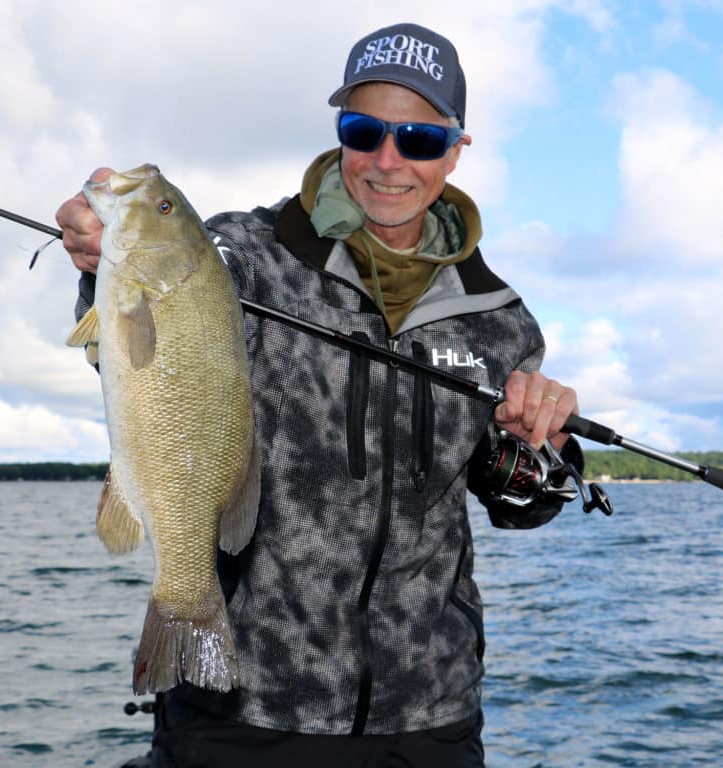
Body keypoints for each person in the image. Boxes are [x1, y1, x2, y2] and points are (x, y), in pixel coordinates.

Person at [58, 22, 583, 768]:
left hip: (427, 717)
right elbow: (152, 357)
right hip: (243, 706)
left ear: (457, 149)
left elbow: (516, 502)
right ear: (339, 131)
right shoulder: (243, 255)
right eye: (365, 130)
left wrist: (542, 447)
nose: (388, 161)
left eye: (420, 140)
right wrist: (97, 263)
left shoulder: (498, 317)